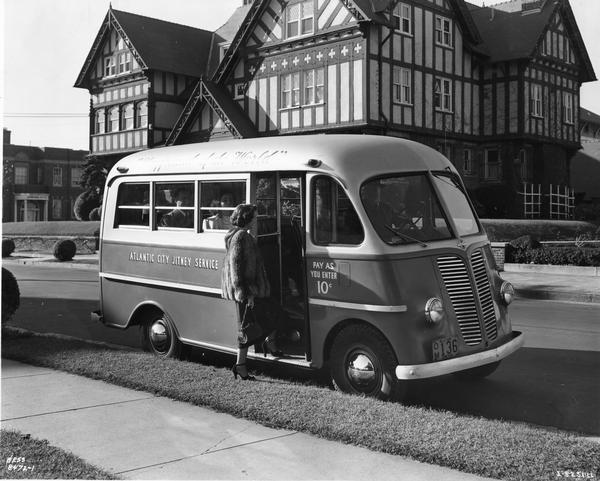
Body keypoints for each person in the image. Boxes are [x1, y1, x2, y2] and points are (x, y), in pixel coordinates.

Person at [221, 204, 283, 381]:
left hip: (253, 290)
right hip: (247, 292)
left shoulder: (239, 235)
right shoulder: (240, 237)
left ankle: (267, 344)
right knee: (247, 330)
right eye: (254, 217)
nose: (256, 220)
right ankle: (240, 366)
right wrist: (247, 294)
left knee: (270, 315)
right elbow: (236, 268)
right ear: (246, 218)